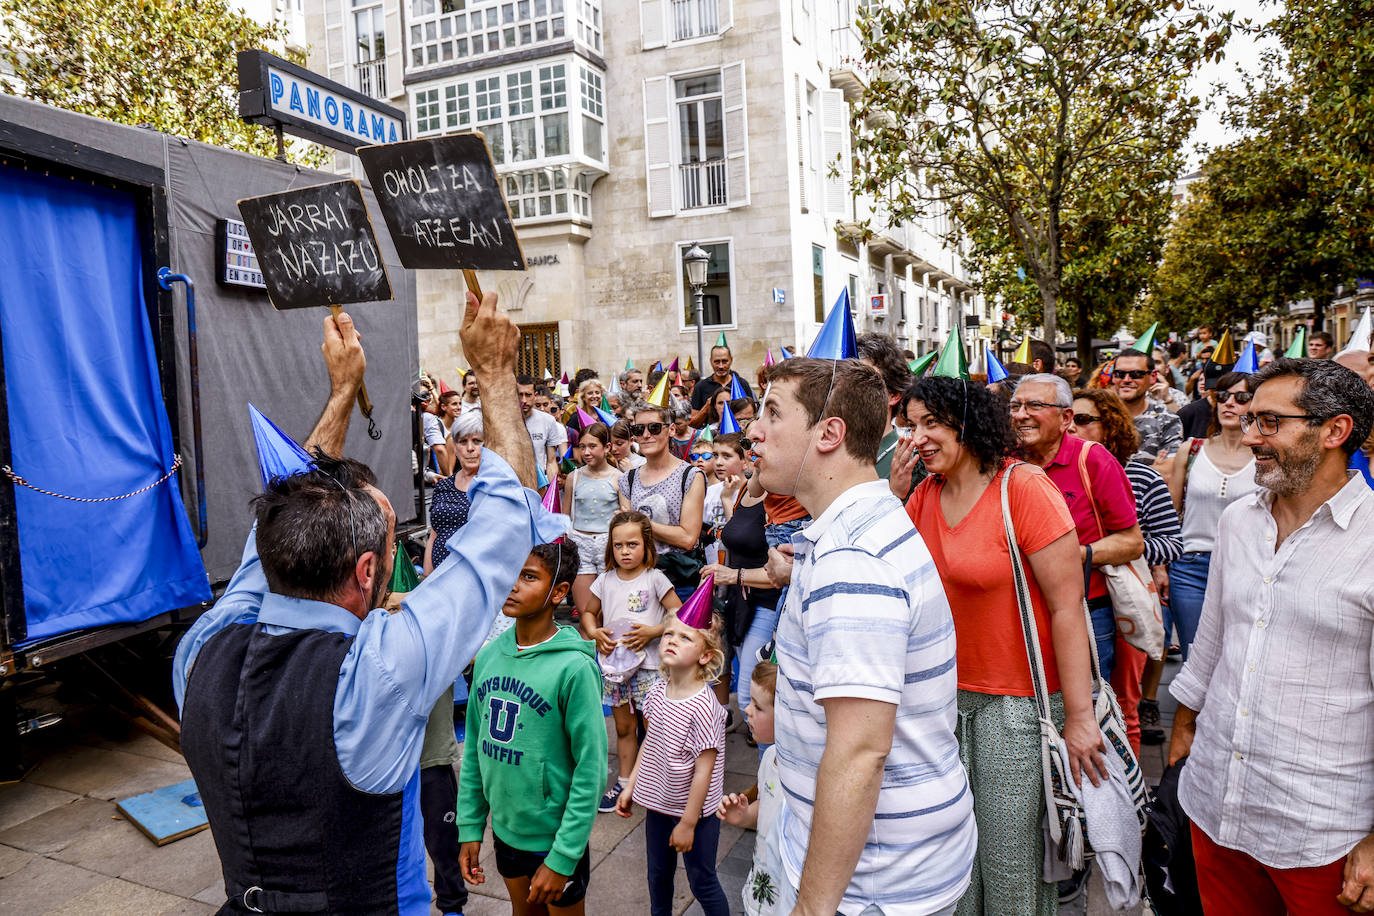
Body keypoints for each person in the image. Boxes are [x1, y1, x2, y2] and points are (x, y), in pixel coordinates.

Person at [175, 296, 552, 916]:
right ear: (369, 571)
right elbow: (504, 527)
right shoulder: (376, 671)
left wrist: (341, 391)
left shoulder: (200, 650)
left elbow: (274, 518)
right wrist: (494, 375)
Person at [749, 357, 977, 916]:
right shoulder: (855, 532)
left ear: (829, 433)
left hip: (875, 883)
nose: (753, 430)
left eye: (773, 413)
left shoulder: (853, 559)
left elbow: (859, 753)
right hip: (884, 867)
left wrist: (813, 907)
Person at [1167, 358, 1374, 915]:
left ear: (1335, 431)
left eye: (1270, 422)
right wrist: (1184, 737)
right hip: (1216, 805)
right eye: (1250, 419)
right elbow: (1211, 642)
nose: (1250, 434)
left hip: (1321, 831)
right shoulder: (1239, 520)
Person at [894, 375, 1105, 915]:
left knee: (1010, 863)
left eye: (931, 424)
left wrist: (1078, 718)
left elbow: (1066, 608)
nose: (917, 438)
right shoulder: (923, 494)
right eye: (911, 424)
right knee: (952, 857)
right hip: (942, 701)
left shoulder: (1024, 487)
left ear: (967, 425)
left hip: (1016, 705)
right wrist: (892, 498)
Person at [457, 541, 607, 915]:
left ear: (558, 591)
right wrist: (471, 825)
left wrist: (563, 856)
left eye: (528, 576)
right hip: (505, 833)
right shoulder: (489, 657)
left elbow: (591, 769)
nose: (513, 584)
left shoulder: (574, 669)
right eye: (511, 571)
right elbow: (476, 749)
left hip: (554, 839)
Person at [1070, 388, 1183, 751]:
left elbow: (1171, 543)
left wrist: (1118, 552)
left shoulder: (1143, 478)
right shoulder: (1055, 475)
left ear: (1111, 426)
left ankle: (1133, 798)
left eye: (1084, 420)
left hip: (1126, 602)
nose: (1073, 427)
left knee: (1123, 704)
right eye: (1068, 418)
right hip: (1080, 601)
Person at [1012, 374, 1143, 681]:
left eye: (1034, 405)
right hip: (1019, 613)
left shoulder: (1093, 460)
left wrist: (1074, 554)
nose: (1020, 415)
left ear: (1066, 416)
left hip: (1086, 613)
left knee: (1086, 712)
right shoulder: (1004, 460)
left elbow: (1132, 542)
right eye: (1015, 406)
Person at [615, 611, 730, 916]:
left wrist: (688, 824)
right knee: (658, 876)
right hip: (659, 805)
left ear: (705, 656)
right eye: (669, 634)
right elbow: (649, 743)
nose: (672, 641)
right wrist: (631, 786)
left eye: (685, 637)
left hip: (697, 815)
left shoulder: (705, 707)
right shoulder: (654, 693)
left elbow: (704, 771)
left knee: (702, 881)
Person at [581, 511, 682, 813]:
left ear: (646, 545)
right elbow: (588, 612)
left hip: (650, 669)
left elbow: (679, 613)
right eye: (618, 545)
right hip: (615, 670)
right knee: (624, 728)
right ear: (610, 548)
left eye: (632, 544)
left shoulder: (655, 579)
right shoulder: (604, 580)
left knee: (655, 728)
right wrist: (593, 632)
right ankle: (625, 781)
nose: (625, 551)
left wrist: (653, 630)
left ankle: (655, 780)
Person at [1164, 371, 1257, 660]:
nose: (1230, 403)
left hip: (1244, 566)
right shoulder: (1190, 450)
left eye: (1241, 398)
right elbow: (1170, 515)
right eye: (1222, 396)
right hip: (1190, 567)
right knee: (1195, 657)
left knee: (1237, 656)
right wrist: (1161, 567)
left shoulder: (1266, 455)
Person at [698, 449, 783, 741]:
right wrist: (727, 501)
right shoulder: (745, 490)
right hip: (739, 601)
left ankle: (768, 778)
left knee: (752, 698)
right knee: (751, 701)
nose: (755, 452)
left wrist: (733, 575)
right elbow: (742, 539)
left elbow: (783, 572)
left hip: (765, 603)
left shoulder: (782, 497)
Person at [618, 400, 707, 600]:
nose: (646, 435)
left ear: (671, 430)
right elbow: (626, 534)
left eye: (655, 428)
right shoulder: (627, 480)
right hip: (638, 580)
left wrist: (640, 523)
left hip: (679, 581)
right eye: (639, 429)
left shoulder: (691, 476)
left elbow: (687, 538)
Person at [717, 660, 783, 916]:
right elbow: (766, 808)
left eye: (758, 706)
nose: (746, 710)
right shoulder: (769, 758)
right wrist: (744, 815)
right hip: (759, 891)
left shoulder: (804, 781)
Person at [562, 422, 621, 616]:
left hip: (607, 544)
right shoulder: (574, 477)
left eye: (592, 446)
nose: (586, 452)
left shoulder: (619, 478)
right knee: (586, 612)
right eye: (582, 447)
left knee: (608, 612)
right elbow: (565, 515)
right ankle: (587, 646)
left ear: (607, 447)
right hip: (581, 543)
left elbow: (626, 514)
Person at [425, 408, 484, 575]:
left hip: (474, 577)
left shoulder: (492, 486)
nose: (470, 448)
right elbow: (434, 535)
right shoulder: (444, 486)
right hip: (439, 577)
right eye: (463, 441)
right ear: (455, 448)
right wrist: (427, 578)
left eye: (477, 441)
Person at [856, 331, 915, 483]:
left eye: (864, 380)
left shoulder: (908, 463)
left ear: (893, 395)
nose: (850, 388)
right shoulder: (829, 455)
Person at [1111, 348, 1184, 462]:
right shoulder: (1099, 417)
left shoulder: (1167, 421)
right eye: (1120, 374)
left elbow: (1169, 472)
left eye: (1136, 374)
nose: (1126, 380)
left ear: (1152, 377)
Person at [519, 375, 567, 487]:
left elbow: (551, 462)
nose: (524, 400)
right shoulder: (507, 420)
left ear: (535, 395)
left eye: (528, 395)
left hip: (539, 484)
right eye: (520, 395)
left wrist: (552, 490)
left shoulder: (548, 421)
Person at [689, 344, 755, 418]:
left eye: (724, 361)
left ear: (731, 360)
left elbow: (753, 415)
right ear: (711, 361)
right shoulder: (700, 387)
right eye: (717, 362)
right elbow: (693, 423)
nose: (721, 366)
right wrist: (707, 407)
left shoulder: (742, 384)